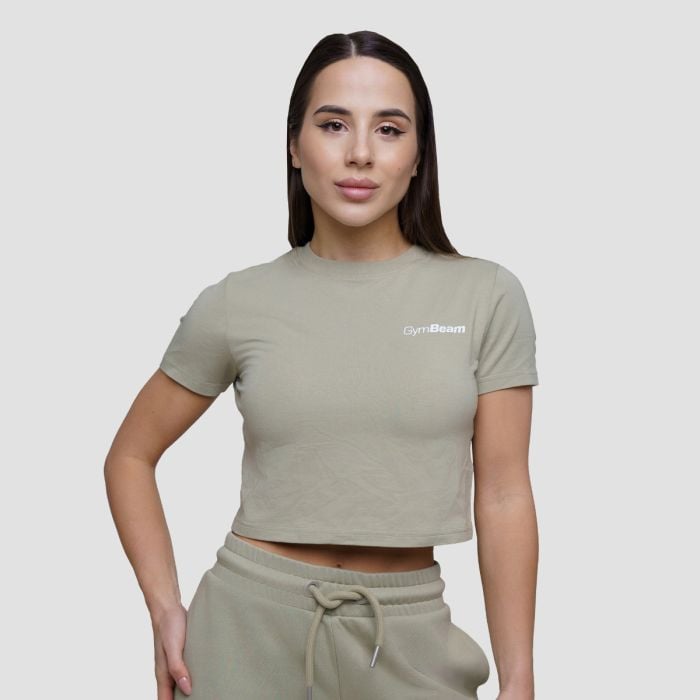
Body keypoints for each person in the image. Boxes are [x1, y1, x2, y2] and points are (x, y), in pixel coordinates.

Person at [105, 30, 539, 700]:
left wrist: (520, 677)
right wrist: (164, 609)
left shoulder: (486, 296)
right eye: (333, 124)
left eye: (389, 129)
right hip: (244, 633)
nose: (360, 152)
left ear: (419, 155)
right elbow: (130, 456)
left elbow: (505, 492)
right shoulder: (237, 302)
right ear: (293, 145)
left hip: (408, 638)